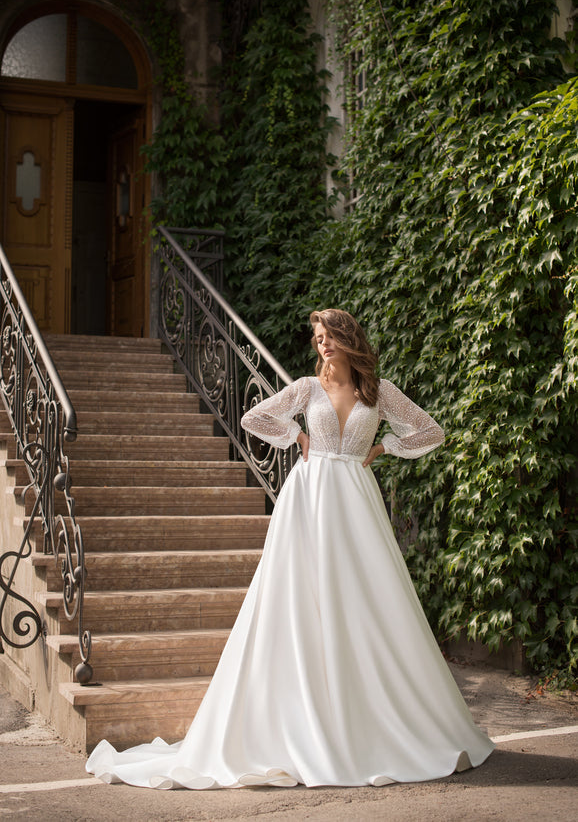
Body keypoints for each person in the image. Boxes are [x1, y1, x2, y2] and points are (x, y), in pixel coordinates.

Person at [86, 308, 493, 789]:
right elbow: (253, 416)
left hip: (357, 503)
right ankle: (303, 720)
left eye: (330, 337)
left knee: (365, 603)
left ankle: (373, 720)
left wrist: (382, 449)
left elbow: (430, 431)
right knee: (300, 602)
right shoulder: (305, 388)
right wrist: (297, 434)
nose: (322, 345)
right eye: (318, 338)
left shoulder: (378, 393)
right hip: (309, 500)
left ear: (348, 340)